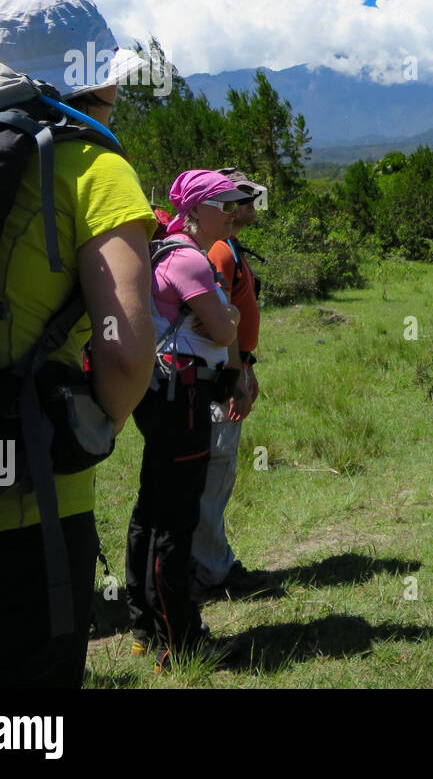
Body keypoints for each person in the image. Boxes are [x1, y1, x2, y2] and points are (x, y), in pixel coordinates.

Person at [0, 0, 157, 688]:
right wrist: (86, 425)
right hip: (16, 522)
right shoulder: (90, 165)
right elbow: (125, 349)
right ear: (95, 77)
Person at [125, 170, 248, 671]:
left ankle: (145, 627)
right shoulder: (190, 261)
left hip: (163, 394)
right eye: (226, 204)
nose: (235, 211)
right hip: (186, 398)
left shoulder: (167, 253)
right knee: (177, 517)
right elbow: (222, 331)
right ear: (197, 210)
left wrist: (223, 326)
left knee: (152, 508)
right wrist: (230, 322)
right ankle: (183, 643)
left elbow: (217, 329)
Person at [192, 167, 273, 598]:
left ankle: (208, 562)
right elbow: (216, 321)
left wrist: (248, 364)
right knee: (215, 471)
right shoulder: (221, 251)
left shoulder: (230, 248)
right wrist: (235, 374)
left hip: (230, 370)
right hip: (219, 378)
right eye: (243, 198)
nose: (251, 205)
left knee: (217, 473)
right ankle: (211, 570)